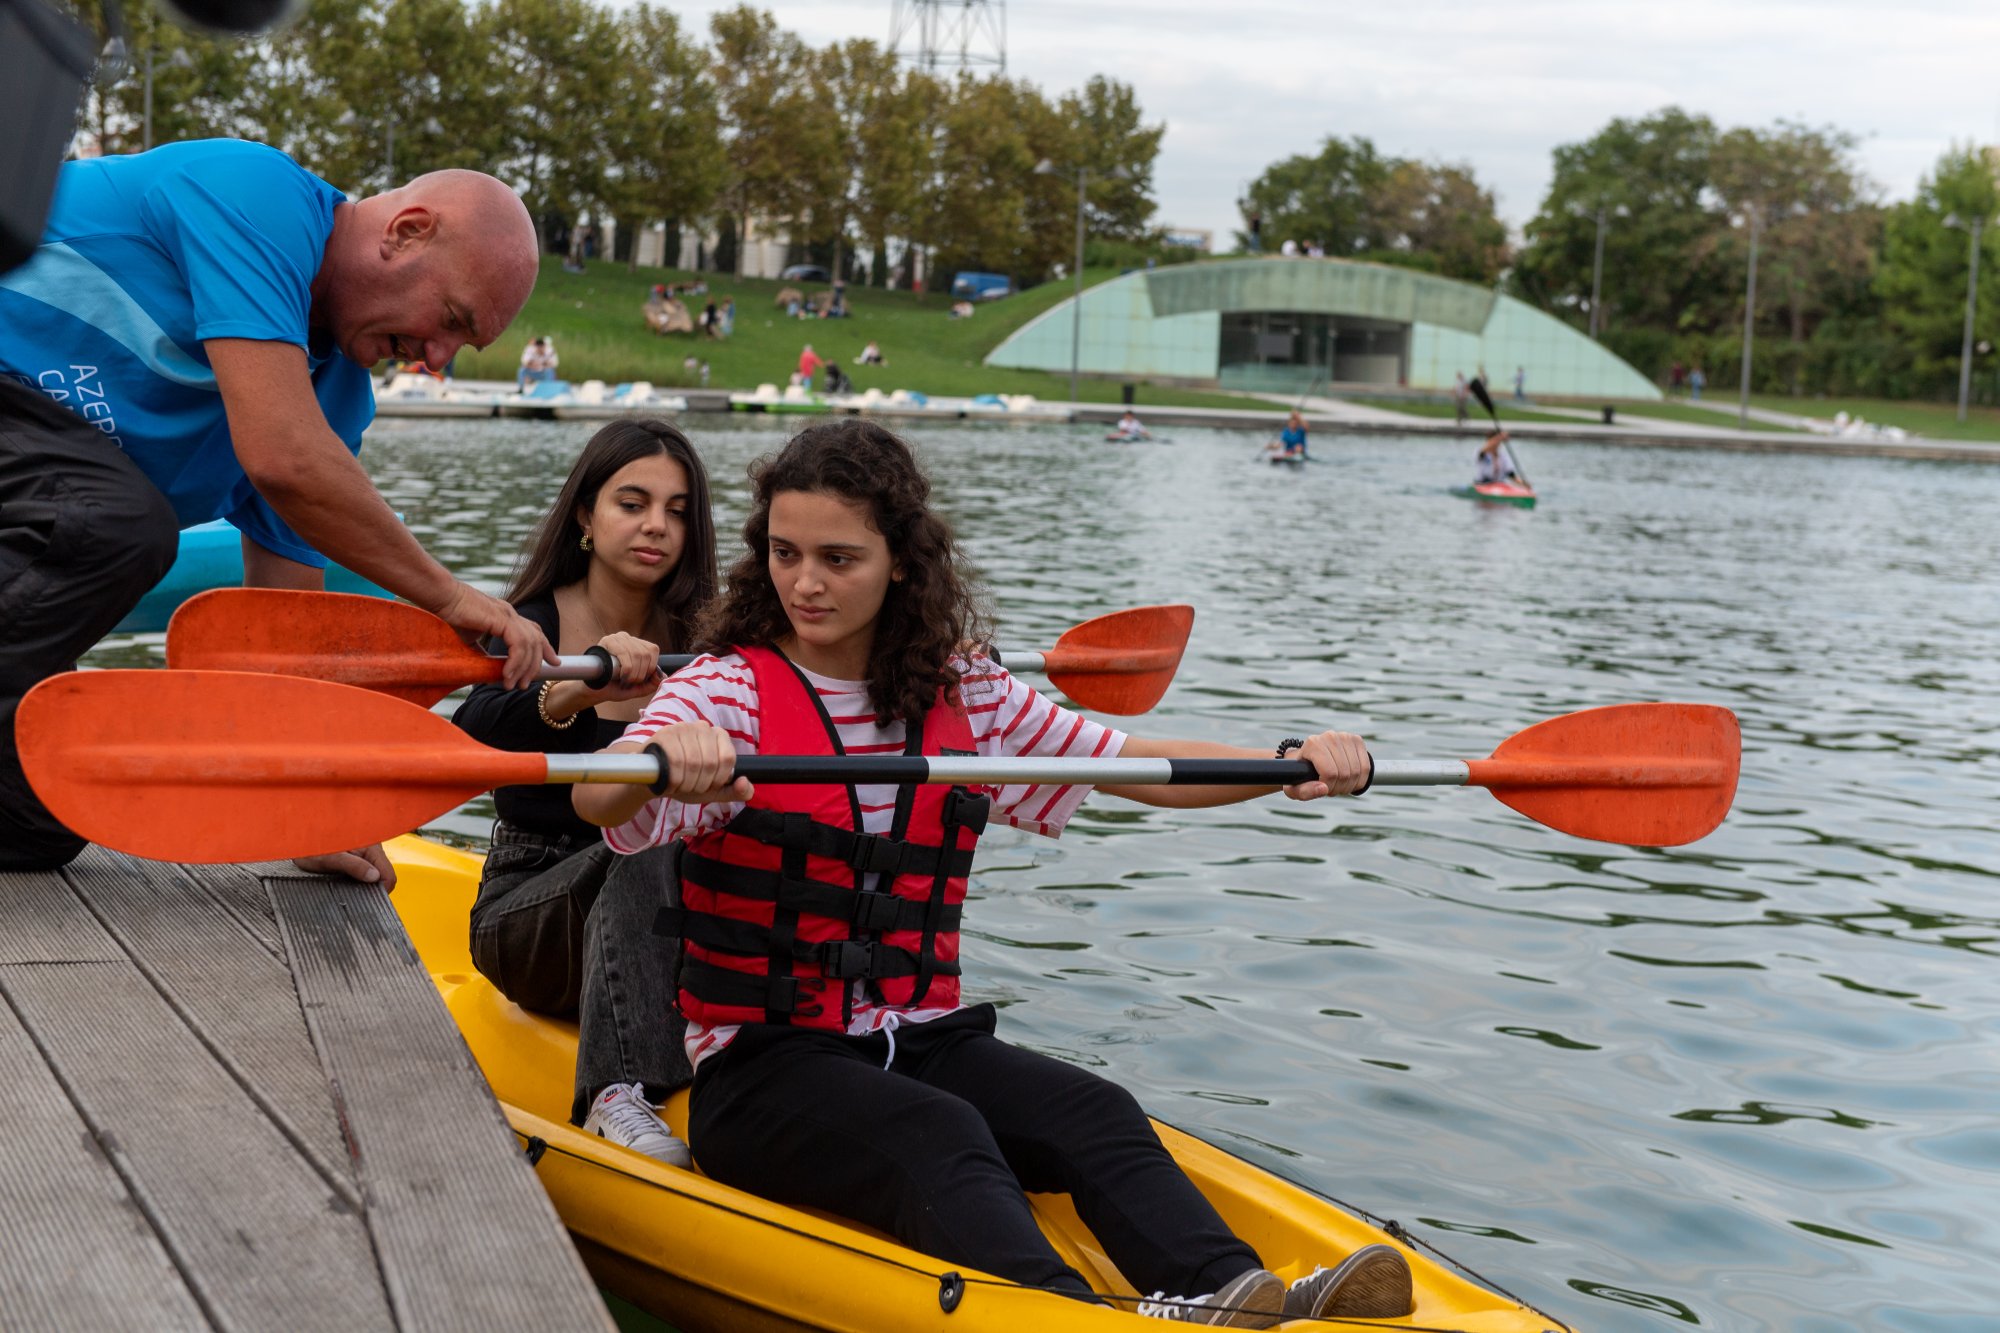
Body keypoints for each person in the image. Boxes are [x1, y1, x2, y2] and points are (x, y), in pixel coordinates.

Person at [574, 421, 1415, 1327]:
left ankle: (1229, 1292)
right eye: (785, 553)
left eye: (837, 558)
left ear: (901, 562)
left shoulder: (965, 692)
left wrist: (1289, 762)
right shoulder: (726, 692)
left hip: (923, 1038)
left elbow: (1142, 767)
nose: (805, 582)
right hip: (763, 1071)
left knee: (1096, 1109)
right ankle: (1070, 1317)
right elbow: (594, 798)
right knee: (941, 1132)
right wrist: (658, 757)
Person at [0, 139, 552, 874]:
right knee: (116, 521)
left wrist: (307, 810)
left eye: (463, 344)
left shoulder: (332, 402)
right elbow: (282, 457)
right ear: (406, 231)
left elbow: (282, 635)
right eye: (451, 317)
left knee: (40, 816)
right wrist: (450, 597)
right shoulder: (254, 195)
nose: (438, 358)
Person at [455, 419, 718, 1164]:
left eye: (676, 512)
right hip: (532, 910)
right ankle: (614, 1090)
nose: (656, 526)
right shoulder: (530, 626)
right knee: (645, 832)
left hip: (676, 921)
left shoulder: (710, 641)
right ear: (585, 515)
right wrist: (577, 686)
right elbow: (471, 736)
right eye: (632, 504)